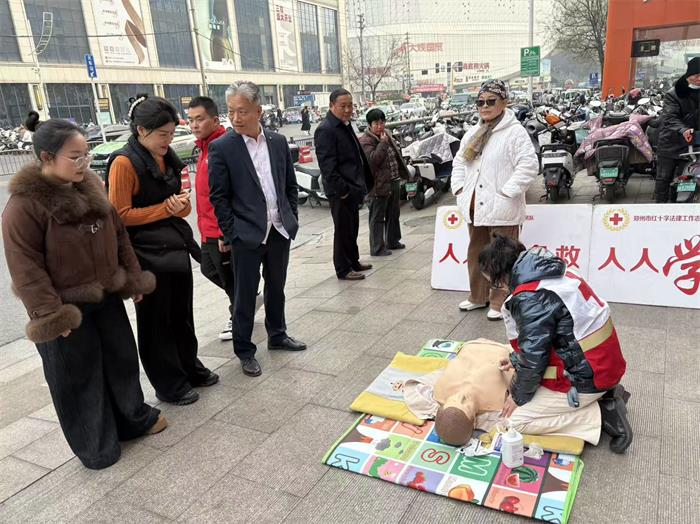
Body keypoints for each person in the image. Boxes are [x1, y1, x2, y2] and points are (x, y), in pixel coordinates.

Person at [2, 119, 166, 469]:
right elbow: (26, 268)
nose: (83, 163)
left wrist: (133, 278)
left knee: (121, 360)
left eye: (86, 155)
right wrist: (51, 316)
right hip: (64, 307)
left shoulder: (90, 186)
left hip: (105, 295)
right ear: (47, 157)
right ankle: (96, 445)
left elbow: (118, 235)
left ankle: (132, 419)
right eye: (75, 157)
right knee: (78, 378)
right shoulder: (23, 206)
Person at [107, 94, 216, 406]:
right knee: (156, 323)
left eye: (171, 133)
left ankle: (189, 368)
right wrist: (165, 210)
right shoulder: (124, 162)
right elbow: (119, 215)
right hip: (144, 255)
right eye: (163, 134)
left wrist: (180, 206)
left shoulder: (166, 157)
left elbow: (179, 206)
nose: (168, 140)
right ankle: (169, 384)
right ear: (142, 130)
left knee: (182, 315)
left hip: (174, 248)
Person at [480, 236, 632, 454]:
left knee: (512, 423)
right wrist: (517, 359)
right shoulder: (551, 272)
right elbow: (549, 339)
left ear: (502, 276)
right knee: (524, 384)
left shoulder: (530, 297)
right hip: (601, 364)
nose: (501, 290)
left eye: (496, 284)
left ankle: (601, 415)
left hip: (588, 378)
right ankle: (602, 396)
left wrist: (517, 397)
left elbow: (534, 360)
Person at [208, 81, 307, 378]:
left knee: (277, 287)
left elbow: (289, 184)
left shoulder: (277, 142)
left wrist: (290, 216)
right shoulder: (223, 147)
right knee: (245, 295)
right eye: (231, 111)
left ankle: (277, 334)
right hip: (246, 235)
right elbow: (219, 197)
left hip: (278, 229)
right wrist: (232, 233)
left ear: (258, 111)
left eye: (242, 111)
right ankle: (244, 350)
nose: (235, 118)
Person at [451, 79, 538, 320]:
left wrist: (507, 192)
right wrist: (459, 188)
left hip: (502, 208)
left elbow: (529, 165)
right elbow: (459, 163)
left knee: (503, 257)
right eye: (480, 102)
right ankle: (478, 296)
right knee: (477, 253)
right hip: (474, 206)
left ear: (504, 102)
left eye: (491, 101)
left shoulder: (514, 132)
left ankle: (501, 302)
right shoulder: (473, 132)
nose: (485, 106)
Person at [187, 96, 235, 341]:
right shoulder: (204, 147)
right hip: (206, 227)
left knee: (230, 278)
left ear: (215, 120)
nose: (194, 125)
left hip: (219, 229)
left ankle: (238, 316)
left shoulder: (223, 147)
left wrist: (225, 231)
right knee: (208, 269)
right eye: (190, 120)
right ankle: (246, 299)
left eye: (200, 119)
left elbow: (229, 193)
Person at [314, 88, 374, 280]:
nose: (348, 110)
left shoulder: (344, 125)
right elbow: (327, 168)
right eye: (343, 106)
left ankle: (353, 261)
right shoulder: (326, 130)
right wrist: (343, 191)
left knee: (352, 227)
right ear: (332, 106)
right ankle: (343, 268)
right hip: (340, 191)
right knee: (342, 230)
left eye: (350, 105)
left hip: (353, 186)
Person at [359, 108, 408, 256]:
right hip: (377, 184)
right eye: (376, 123)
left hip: (393, 180)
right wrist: (383, 143)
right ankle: (377, 247)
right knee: (377, 216)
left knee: (393, 213)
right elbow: (374, 160)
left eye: (382, 123)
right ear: (369, 125)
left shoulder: (386, 134)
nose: (380, 126)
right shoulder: (366, 141)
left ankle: (393, 241)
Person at [655, 57, 700, 203]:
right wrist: (683, 129)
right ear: (688, 75)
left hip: (695, 142)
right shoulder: (673, 94)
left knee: (686, 180)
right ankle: (659, 209)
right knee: (664, 179)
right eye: (697, 75)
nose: (699, 79)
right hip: (671, 142)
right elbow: (670, 117)